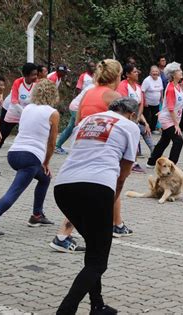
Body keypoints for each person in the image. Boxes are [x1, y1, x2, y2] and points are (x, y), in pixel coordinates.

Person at [54, 97, 140, 314]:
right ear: (131, 114)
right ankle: (65, 310)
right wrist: (110, 202)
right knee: (98, 261)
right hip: (97, 187)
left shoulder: (87, 120)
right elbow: (123, 174)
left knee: (93, 247)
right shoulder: (129, 126)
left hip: (63, 187)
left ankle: (97, 304)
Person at [50, 59, 132, 253]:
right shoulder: (113, 96)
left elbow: (78, 122)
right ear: (117, 76)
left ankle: (116, 223)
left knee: (107, 186)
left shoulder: (88, 92)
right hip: (102, 147)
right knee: (103, 188)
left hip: (83, 145)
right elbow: (122, 122)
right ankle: (64, 234)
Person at [0, 79, 59, 237]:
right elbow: (52, 143)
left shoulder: (27, 108)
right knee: (14, 191)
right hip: (31, 157)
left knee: (45, 178)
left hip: (14, 153)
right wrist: (46, 162)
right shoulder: (53, 113)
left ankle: (37, 215)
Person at [146, 62, 183, 168]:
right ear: (173, 74)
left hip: (170, 117)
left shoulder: (178, 86)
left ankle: (151, 161)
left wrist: (163, 110)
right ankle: (171, 165)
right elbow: (171, 108)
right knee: (178, 140)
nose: (181, 72)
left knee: (164, 141)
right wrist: (176, 124)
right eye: (178, 70)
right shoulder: (171, 88)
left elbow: (170, 104)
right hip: (168, 119)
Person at [0, 63, 38, 160]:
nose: (35, 77)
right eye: (33, 74)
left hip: (25, 112)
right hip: (11, 110)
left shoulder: (37, 84)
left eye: (36, 74)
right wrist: (25, 112)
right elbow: (14, 101)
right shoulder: (18, 82)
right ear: (26, 75)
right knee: (2, 134)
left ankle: (27, 157)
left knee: (28, 135)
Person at [116, 64, 153, 173]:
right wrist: (132, 119)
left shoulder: (138, 87)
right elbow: (123, 103)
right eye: (135, 72)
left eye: (137, 71)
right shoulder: (123, 85)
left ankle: (154, 154)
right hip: (125, 117)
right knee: (131, 139)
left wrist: (143, 121)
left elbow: (140, 105)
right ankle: (131, 162)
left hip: (135, 117)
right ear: (127, 74)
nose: (137, 73)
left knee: (145, 130)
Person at [141, 65, 164, 133]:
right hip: (148, 102)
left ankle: (153, 129)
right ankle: (145, 129)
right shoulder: (147, 80)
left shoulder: (159, 79)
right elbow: (142, 91)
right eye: (153, 71)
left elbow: (161, 89)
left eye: (156, 71)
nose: (155, 73)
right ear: (150, 73)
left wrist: (162, 98)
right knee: (147, 117)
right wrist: (144, 101)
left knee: (155, 116)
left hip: (156, 102)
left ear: (158, 72)